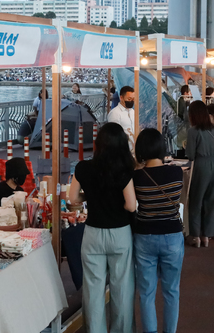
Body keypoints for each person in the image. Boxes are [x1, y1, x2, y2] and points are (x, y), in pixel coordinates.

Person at [69, 123, 137, 333]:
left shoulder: (83, 168)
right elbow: (131, 205)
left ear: (98, 144)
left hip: (93, 234)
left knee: (93, 290)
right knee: (122, 289)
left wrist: (87, 196)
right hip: (119, 234)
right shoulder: (124, 170)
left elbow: (72, 199)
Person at [133, 129, 184, 333]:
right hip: (172, 235)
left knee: (146, 292)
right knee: (171, 291)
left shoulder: (137, 176)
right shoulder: (176, 172)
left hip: (145, 236)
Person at [185, 101, 214, 247]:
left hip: (201, 165)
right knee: (211, 201)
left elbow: (190, 155)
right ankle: (206, 235)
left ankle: (195, 235)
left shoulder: (192, 131)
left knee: (196, 200)